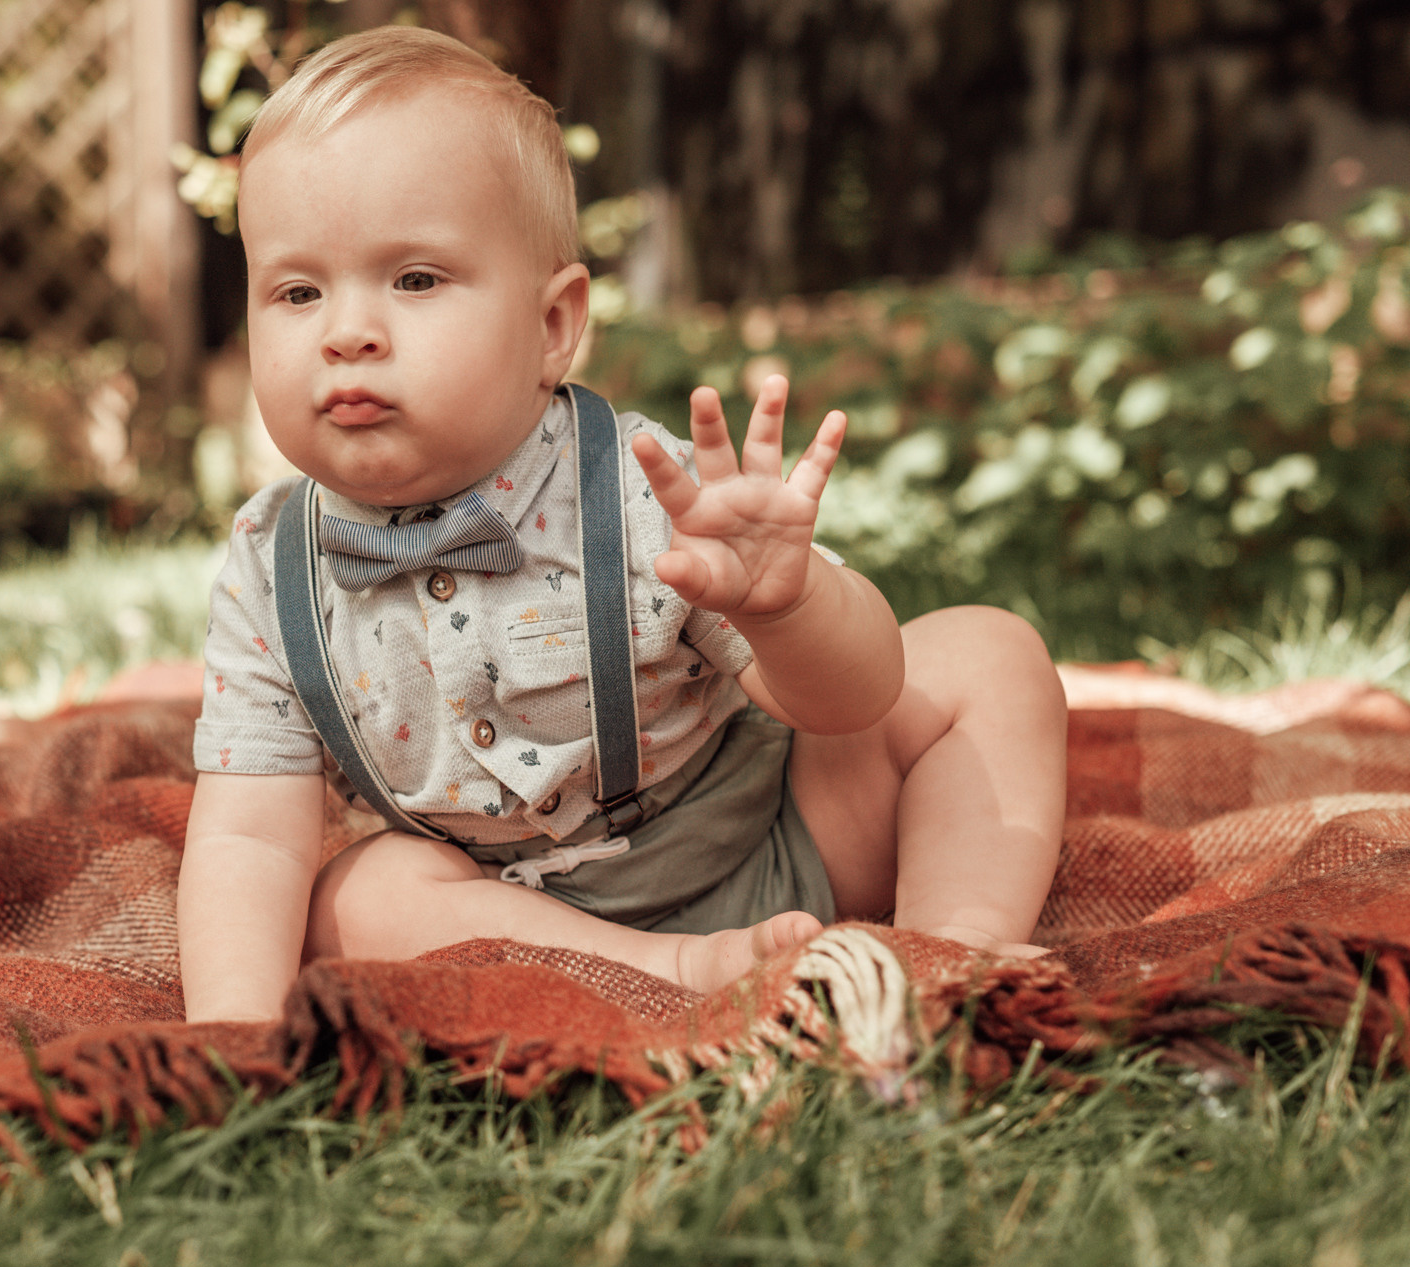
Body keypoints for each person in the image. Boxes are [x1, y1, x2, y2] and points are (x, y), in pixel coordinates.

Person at [176, 27, 1066, 1024]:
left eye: (414, 279)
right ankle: (674, 977)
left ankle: (951, 959)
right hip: (516, 927)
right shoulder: (269, 569)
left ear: (552, 325)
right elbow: (248, 835)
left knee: (988, 657)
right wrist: (227, 1041)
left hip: (775, 841)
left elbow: (853, 700)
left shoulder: (643, 489)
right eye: (296, 292)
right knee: (351, 899)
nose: (346, 332)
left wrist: (789, 605)